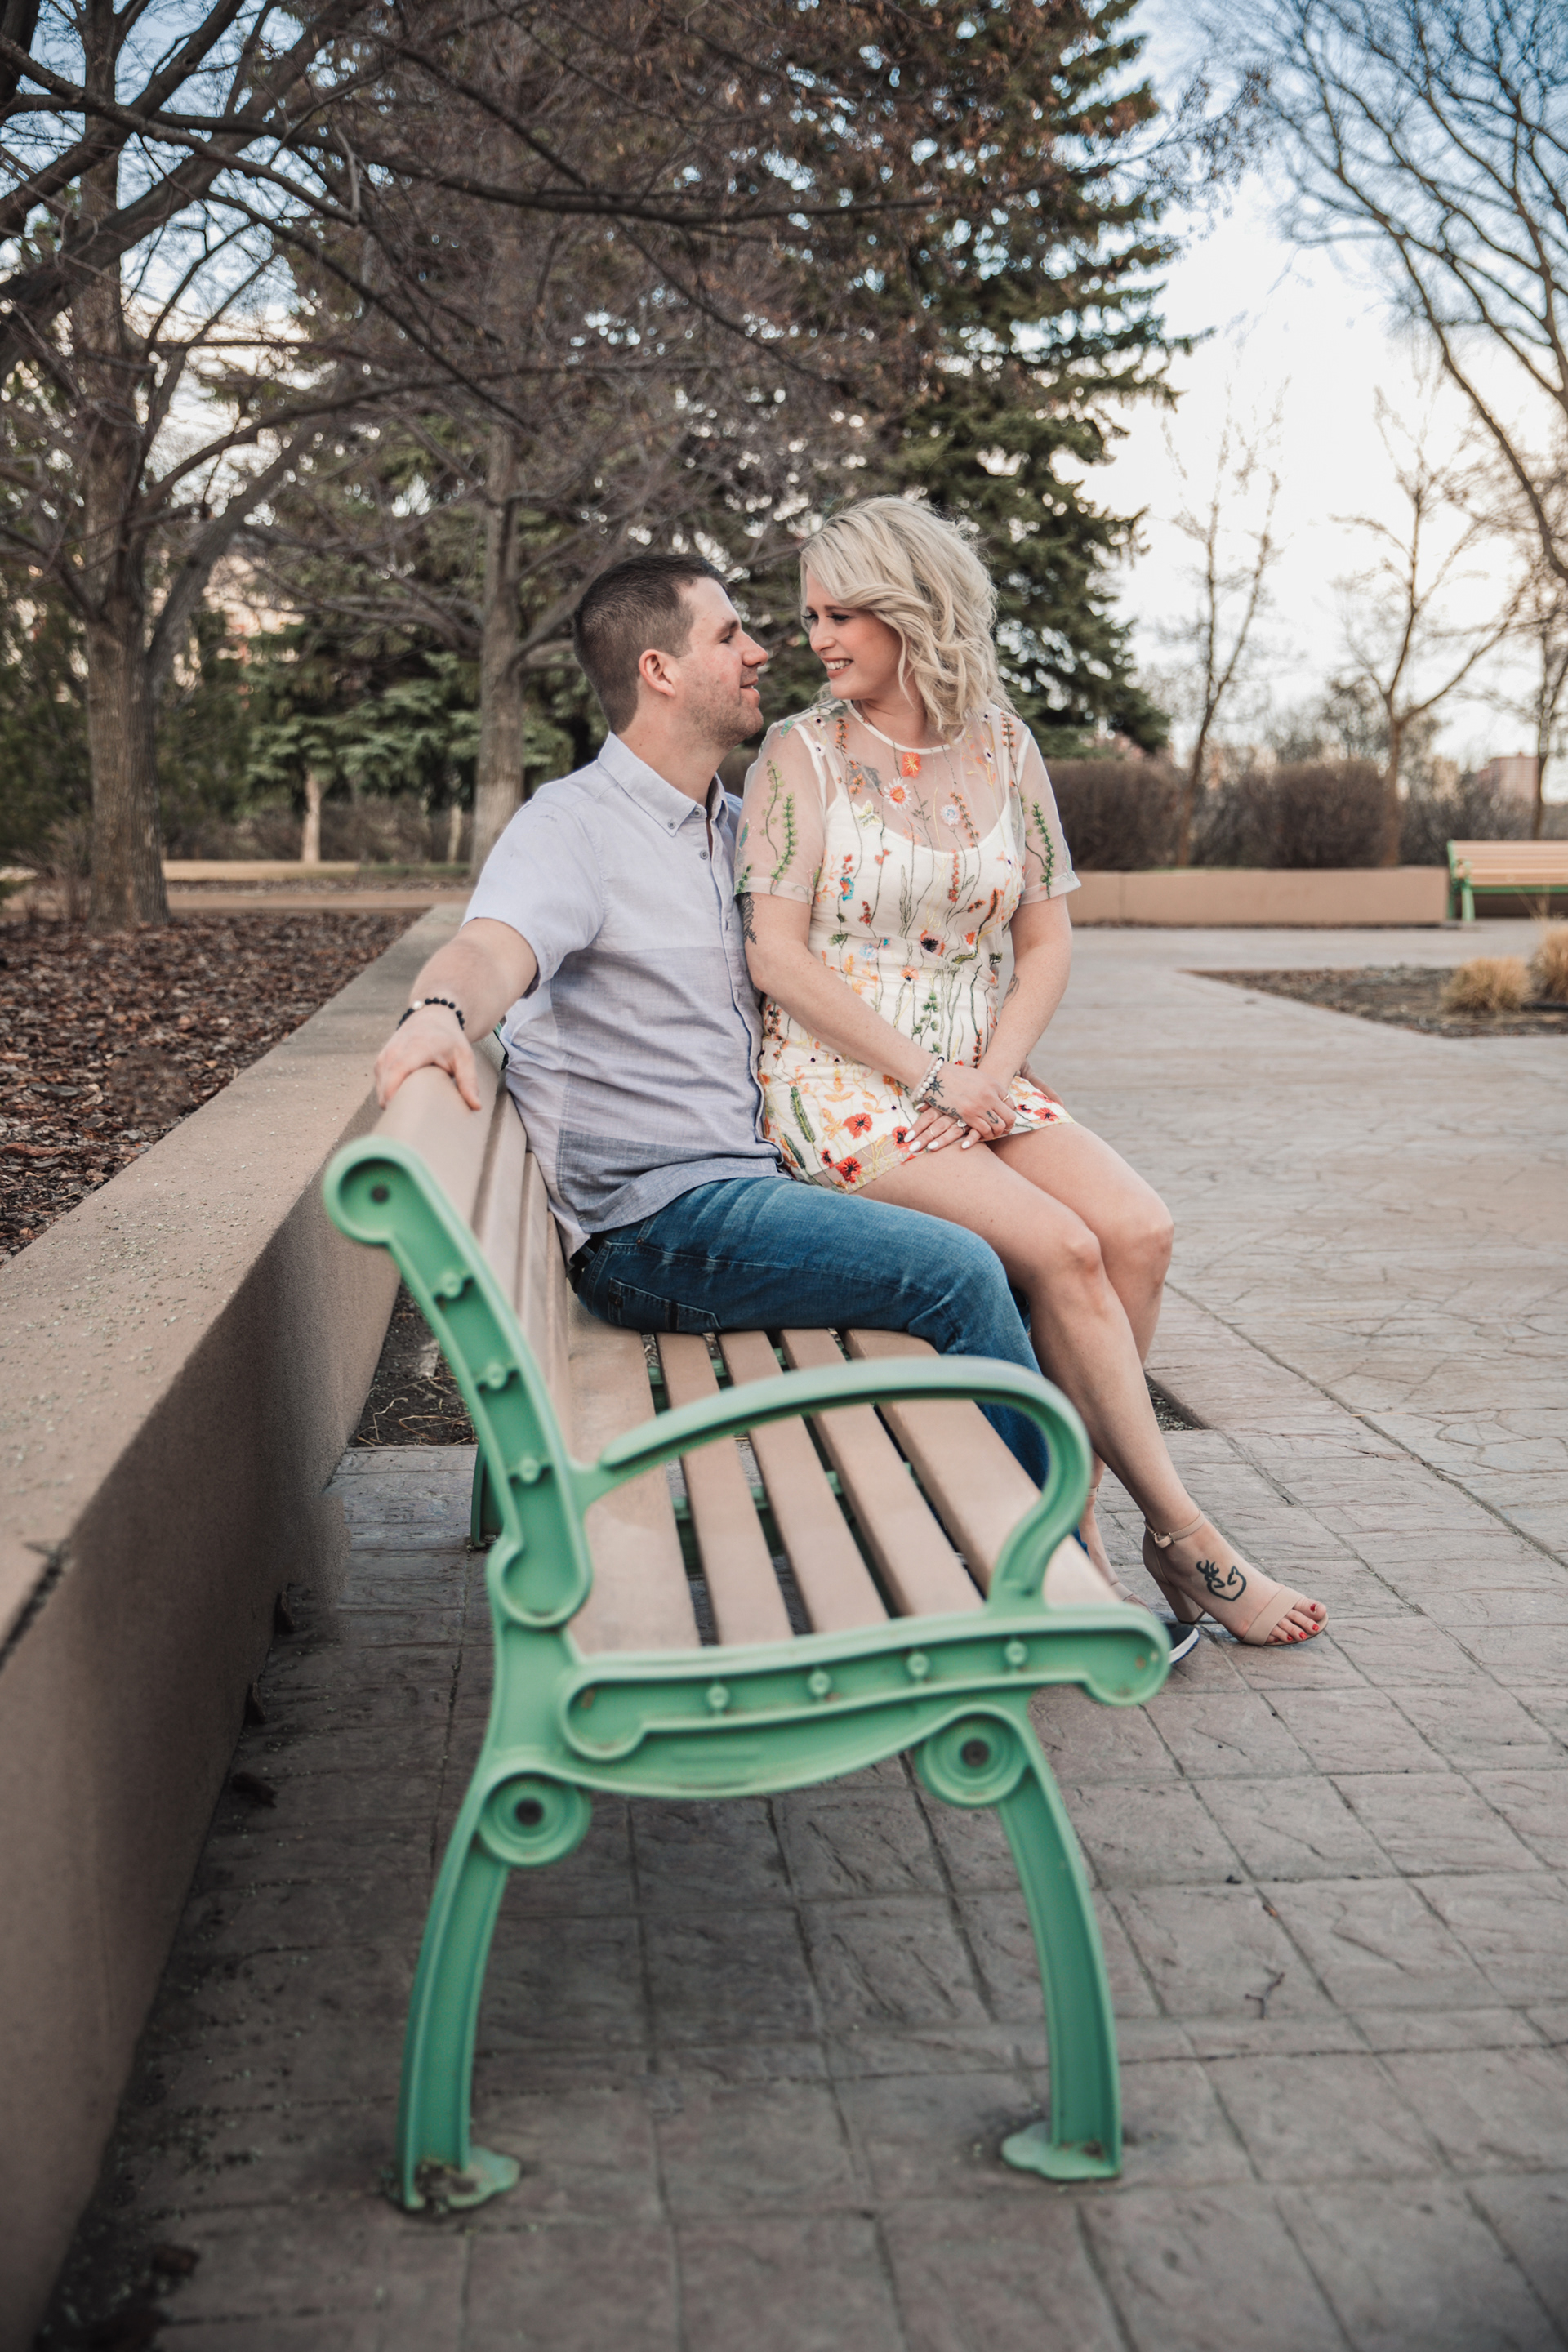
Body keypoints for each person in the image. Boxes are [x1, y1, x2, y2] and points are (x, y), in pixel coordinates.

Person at [370, 549, 1129, 1586]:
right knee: (959, 1269)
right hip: (659, 1226)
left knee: (1045, 1238)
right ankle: (1052, 1566)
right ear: (659, 670)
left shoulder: (733, 828)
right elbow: (495, 946)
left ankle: (1033, 1523)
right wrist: (440, 1013)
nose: (764, 648)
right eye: (729, 634)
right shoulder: (574, 827)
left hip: (753, 1181)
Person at [736, 498, 1325, 1646]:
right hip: (847, 1077)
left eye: (844, 612)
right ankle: (1178, 1539)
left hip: (979, 1075)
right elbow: (775, 953)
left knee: (1137, 1229)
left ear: (914, 609)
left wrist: (992, 1072)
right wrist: (927, 1074)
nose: (818, 637)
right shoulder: (796, 755)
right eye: (810, 615)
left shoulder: (1005, 745)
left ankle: (1069, 1517)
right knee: (1063, 1249)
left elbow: (1046, 940)